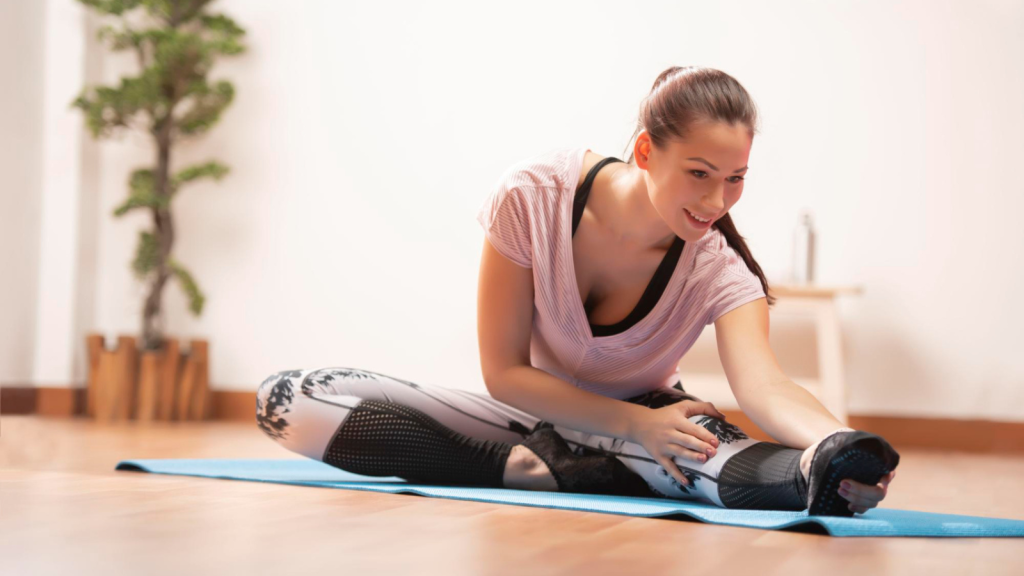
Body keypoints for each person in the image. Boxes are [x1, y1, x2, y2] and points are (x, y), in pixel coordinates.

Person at [256, 65, 899, 516]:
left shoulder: (719, 267)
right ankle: (533, 471)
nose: (715, 200)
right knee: (286, 400)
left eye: (735, 179)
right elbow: (504, 371)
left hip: (659, 426)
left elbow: (766, 386)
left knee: (757, 464)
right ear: (646, 151)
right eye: (698, 174)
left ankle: (799, 474)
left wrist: (833, 444)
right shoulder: (532, 196)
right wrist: (626, 425)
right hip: (541, 422)